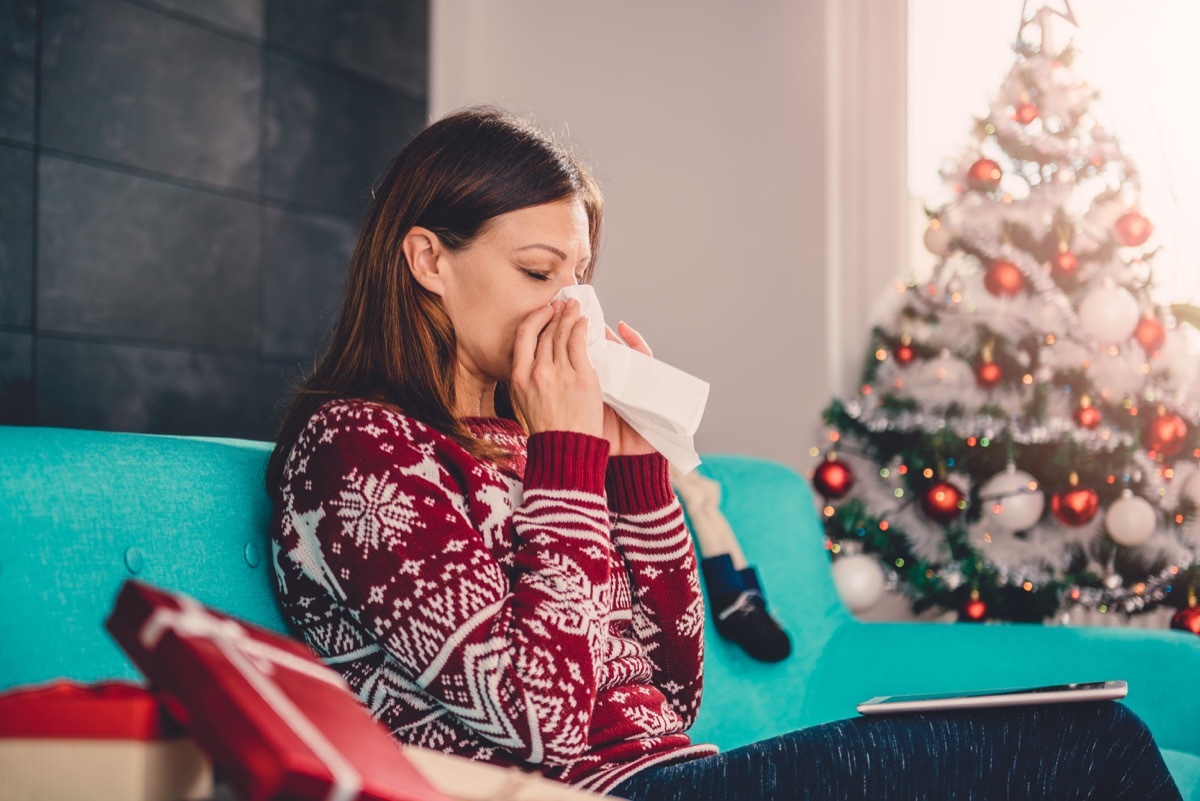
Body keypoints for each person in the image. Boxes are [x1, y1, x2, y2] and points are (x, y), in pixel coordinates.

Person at [266, 106, 1183, 800]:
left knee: (1089, 730)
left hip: (678, 774)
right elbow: (539, 721)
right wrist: (572, 464)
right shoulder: (357, 450)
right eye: (536, 273)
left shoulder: (532, 442)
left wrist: (633, 475)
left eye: (576, 280)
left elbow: (670, 692)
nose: (563, 310)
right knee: (1087, 745)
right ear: (428, 260)